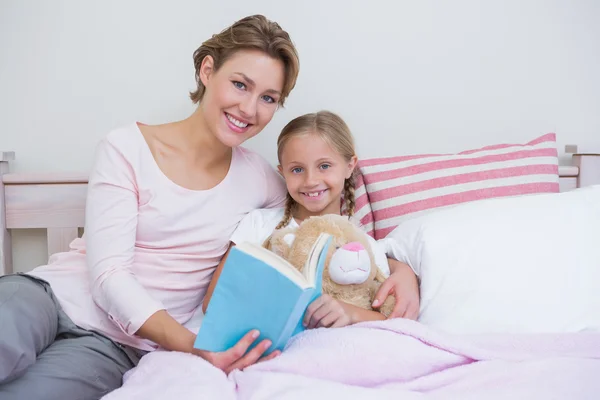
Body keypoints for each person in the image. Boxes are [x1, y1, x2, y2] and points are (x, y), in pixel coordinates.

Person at [0, 14, 300, 399]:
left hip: (115, 346)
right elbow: (109, 274)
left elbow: (314, 226)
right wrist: (192, 344)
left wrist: (397, 268)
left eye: (268, 98)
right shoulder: (126, 147)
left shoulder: (262, 182)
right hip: (47, 294)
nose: (249, 108)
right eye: (240, 84)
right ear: (208, 70)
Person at [203, 110, 420, 330]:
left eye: (324, 166)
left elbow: (393, 321)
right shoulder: (259, 224)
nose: (311, 181)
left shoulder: (361, 245)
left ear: (349, 166)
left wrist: (350, 313)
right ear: (282, 172)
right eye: (297, 169)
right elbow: (213, 301)